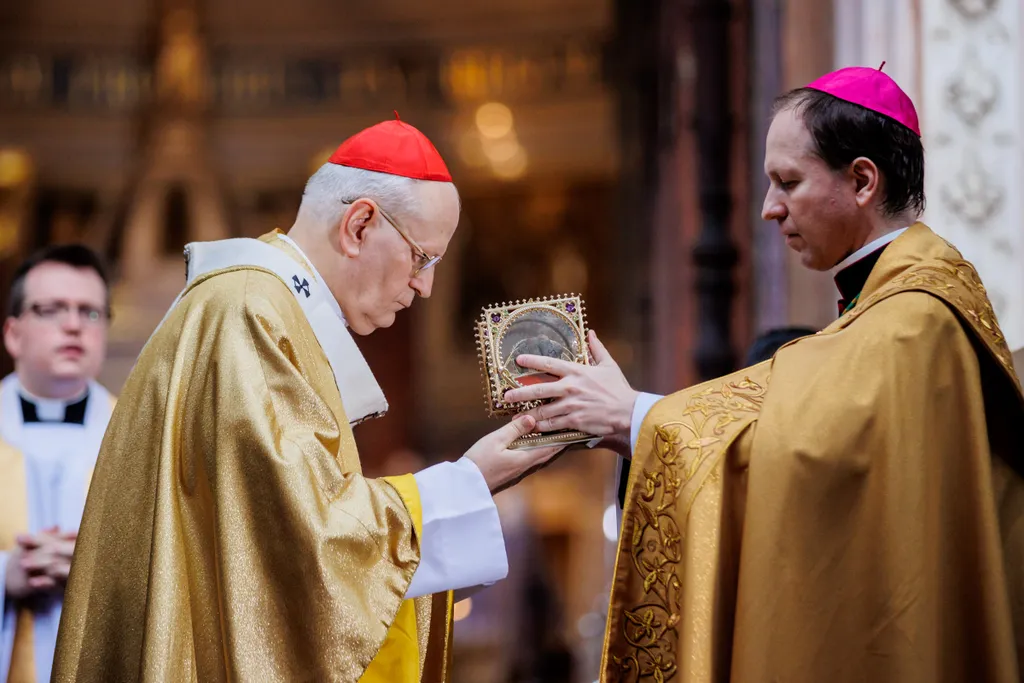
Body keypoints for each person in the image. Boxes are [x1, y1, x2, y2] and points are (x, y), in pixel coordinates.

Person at [505, 65, 1024, 681]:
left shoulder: (914, 322)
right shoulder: (892, 308)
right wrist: (633, 420)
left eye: (788, 182)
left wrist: (636, 416)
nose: (768, 209)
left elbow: (803, 457)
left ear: (862, 180)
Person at [52, 117, 567, 682]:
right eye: (422, 258)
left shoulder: (257, 306)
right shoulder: (250, 314)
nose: (426, 287)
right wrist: (469, 479)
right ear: (360, 225)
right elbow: (305, 547)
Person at [0, 245, 115, 683]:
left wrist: (97, 576)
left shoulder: (141, 440)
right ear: (13, 334)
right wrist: (5, 576)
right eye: (51, 309)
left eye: (90, 313)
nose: (73, 325)